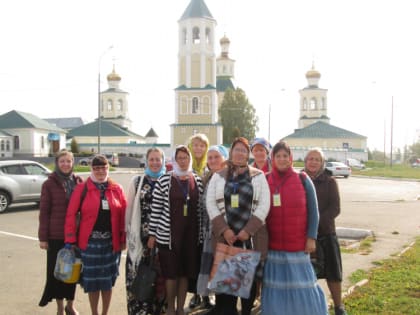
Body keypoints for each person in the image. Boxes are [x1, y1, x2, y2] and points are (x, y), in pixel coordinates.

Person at [261, 141, 328, 315]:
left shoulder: (303, 179)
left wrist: (311, 237)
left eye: (285, 156)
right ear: (272, 159)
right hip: (273, 248)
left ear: (290, 158)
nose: (282, 160)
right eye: (278, 156)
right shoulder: (265, 179)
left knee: (302, 287)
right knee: (277, 289)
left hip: (298, 247)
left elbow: (314, 212)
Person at [205, 137, 270, 315]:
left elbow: (264, 205)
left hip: (249, 239)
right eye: (237, 149)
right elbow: (210, 203)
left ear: (247, 154)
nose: (240, 153)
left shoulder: (258, 176)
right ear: (231, 152)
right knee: (226, 290)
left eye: (243, 150)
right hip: (226, 239)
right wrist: (225, 230)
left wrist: (247, 231)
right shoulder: (218, 176)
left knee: (247, 290)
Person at [65, 154, 126, 315]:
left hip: (111, 245)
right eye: (96, 168)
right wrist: (70, 239)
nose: (100, 171)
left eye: (103, 167)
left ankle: (105, 313)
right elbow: (71, 214)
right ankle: (95, 313)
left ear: (108, 168)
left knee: (107, 283)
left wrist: (122, 239)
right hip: (89, 244)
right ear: (92, 169)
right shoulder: (82, 188)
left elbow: (123, 217)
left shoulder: (116, 189)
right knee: (92, 282)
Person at [147, 145, 204, 315]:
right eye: (179, 158)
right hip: (168, 237)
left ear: (190, 159)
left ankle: (180, 308)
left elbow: (201, 208)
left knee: (185, 274)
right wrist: (152, 234)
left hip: (191, 237)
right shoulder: (165, 180)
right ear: (174, 160)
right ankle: (170, 307)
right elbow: (156, 209)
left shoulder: (197, 180)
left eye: (185, 157)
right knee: (171, 274)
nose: (183, 161)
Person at [304, 148, 348, 315]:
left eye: (317, 159)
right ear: (305, 161)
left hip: (326, 233)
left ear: (322, 163)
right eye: (310, 159)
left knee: (333, 272)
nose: (313, 162)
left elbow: (335, 209)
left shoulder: (330, 182)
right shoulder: (300, 180)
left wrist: (316, 222)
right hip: (305, 236)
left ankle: (338, 306)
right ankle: (310, 307)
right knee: (308, 273)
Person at [38, 149, 82, 315]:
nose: (65, 164)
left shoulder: (78, 181)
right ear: (57, 163)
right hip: (55, 236)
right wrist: (43, 238)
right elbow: (44, 212)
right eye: (62, 161)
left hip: (75, 236)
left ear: (73, 163)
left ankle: (70, 305)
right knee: (57, 273)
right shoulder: (49, 184)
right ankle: (59, 307)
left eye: (68, 161)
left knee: (73, 273)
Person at [125, 148, 167, 315]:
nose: (155, 163)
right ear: (147, 160)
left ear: (163, 161)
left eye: (158, 159)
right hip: (139, 241)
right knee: (138, 279)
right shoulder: (137, 181)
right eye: (152, 159)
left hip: (162, 240)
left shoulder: (168, 180)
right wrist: (128, 235)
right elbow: (129, 210)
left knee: (158, 281)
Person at [196, 145, 229, 303]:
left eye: (217, 157)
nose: (213, 160)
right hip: (208, 231)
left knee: (224, 268)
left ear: (224, 158)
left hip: (224, 231)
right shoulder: (207, 177)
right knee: (212, 266)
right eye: (210, 158)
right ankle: (210, 299)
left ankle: (224, 306)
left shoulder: (229, 177)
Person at [187, 133, 213, 310]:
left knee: (207, 258)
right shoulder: (184, 168)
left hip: (207, 222)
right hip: (189, 221)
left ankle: (207, 294)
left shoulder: (209, 169)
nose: (198, 149)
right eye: (195, 145)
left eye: (202, 146)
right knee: (193, 258)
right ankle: (195, 294)